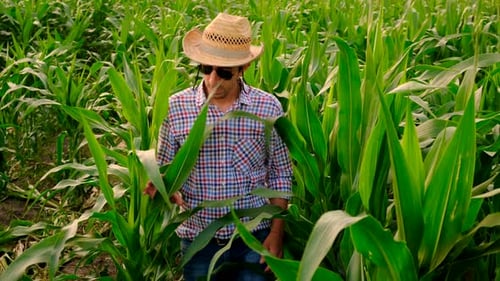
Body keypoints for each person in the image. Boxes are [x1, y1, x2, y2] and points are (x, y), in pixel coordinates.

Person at [146, 13, 292, 281]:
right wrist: (161, 186)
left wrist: (275, 233)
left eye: (224, 72)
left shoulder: (267, 108)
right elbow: (165, 170)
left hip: (253, 237)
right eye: (205, 68)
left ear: (243, 68)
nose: (212, 80)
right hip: (197, 239)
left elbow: (280, 174)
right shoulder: (177, 108)